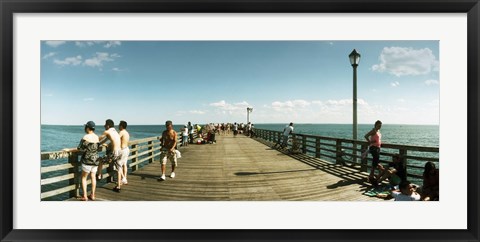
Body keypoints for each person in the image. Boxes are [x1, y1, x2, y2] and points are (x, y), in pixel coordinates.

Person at [64, 121, 100, 201]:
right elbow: (97, 147)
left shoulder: (86, 137)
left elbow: (79, 149)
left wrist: (68, 149)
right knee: (93, 177)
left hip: (87, 161)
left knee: (84, 178)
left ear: (87, 128)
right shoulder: (97, 137)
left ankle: (85, 196)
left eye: (85, 127)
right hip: (96, 160)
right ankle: (93, 195)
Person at [97, 119, 122, 192]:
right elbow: (103, 141)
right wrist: (103, 144)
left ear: (108, 125)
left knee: (101, 160)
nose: (104, 126)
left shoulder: (107, 131)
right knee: (118, 169)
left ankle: (99, 176)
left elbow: (98, 139)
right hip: (119, 152)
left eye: (105, 124)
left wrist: (89, 141)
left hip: (114, 152)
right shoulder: (115, 132)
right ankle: (118, 186)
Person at [118, 120, 130, 186]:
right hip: (127, 149)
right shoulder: (127, 133)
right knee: (124, 164)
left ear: (121, 126)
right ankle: (125, 178)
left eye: (119, 125)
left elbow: (116, 139)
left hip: (122, 150)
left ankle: (123, 178)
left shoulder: (121, 132)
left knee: (118, 165)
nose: (118, 126)